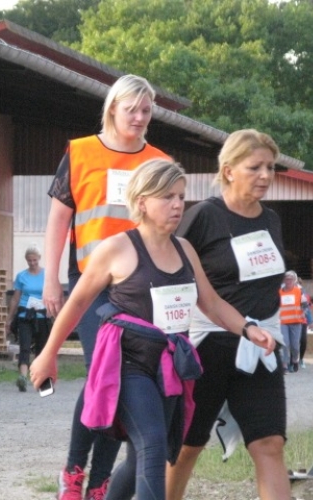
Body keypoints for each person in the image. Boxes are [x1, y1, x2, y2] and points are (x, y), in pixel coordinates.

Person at [30, 158, 275, 500]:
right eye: (167, 197)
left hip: (169, 367)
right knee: (153, 444)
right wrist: (48, 354)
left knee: (141, 460)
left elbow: (212, 303)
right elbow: (77, 303)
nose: (177, 205)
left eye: (181, 196)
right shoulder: (116, 248)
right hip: (128, 365)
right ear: (142, 202)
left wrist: (247, 328)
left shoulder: (185, 250)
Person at [42, 73, 171, 500]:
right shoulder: (81, 152)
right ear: (112, 108)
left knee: (121, 379)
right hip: (92, 282)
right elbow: (59, 220)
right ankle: (74, 472)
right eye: (130, 108)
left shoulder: (157, 161)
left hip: (139, 284)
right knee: (104, 371)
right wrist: (50, 279)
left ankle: (99, 482)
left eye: (146, 110)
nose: (139, 117)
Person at [166, 129, 290, 500]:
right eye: (255, 167)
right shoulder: (204, 215)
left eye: (270, 167)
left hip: (261, 346)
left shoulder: (271, 220)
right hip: (208, 345)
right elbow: (169, 267)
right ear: (229, 170)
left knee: (269, 443)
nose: (265, 175)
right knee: (188, 444)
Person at [6, 245, 51, 392]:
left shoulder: (47, 275)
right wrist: (9, 318)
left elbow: (52, 295)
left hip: (42, 316)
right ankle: (23, 378)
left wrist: (52, 310)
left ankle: (40, 379)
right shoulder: (21, 276)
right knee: (24, 347)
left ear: (39, 259)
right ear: (26, 260)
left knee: (41, 349)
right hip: (25, 316)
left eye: (35, 260)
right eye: (29, 260)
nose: (32, 263)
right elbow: (15, 298)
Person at [279, 270, 306, 373]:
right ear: (284, 280)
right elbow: (275, 305)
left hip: (296, 321)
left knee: (295, 345)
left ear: (294, 280)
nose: (288, 281)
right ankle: (284, 364)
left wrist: (303, 312)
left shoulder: (298, 291)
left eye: (290, 279)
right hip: (283, 322)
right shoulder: (280, 292)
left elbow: (305, 304)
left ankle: (295, 360)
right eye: (287, 279)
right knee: (285, 343)